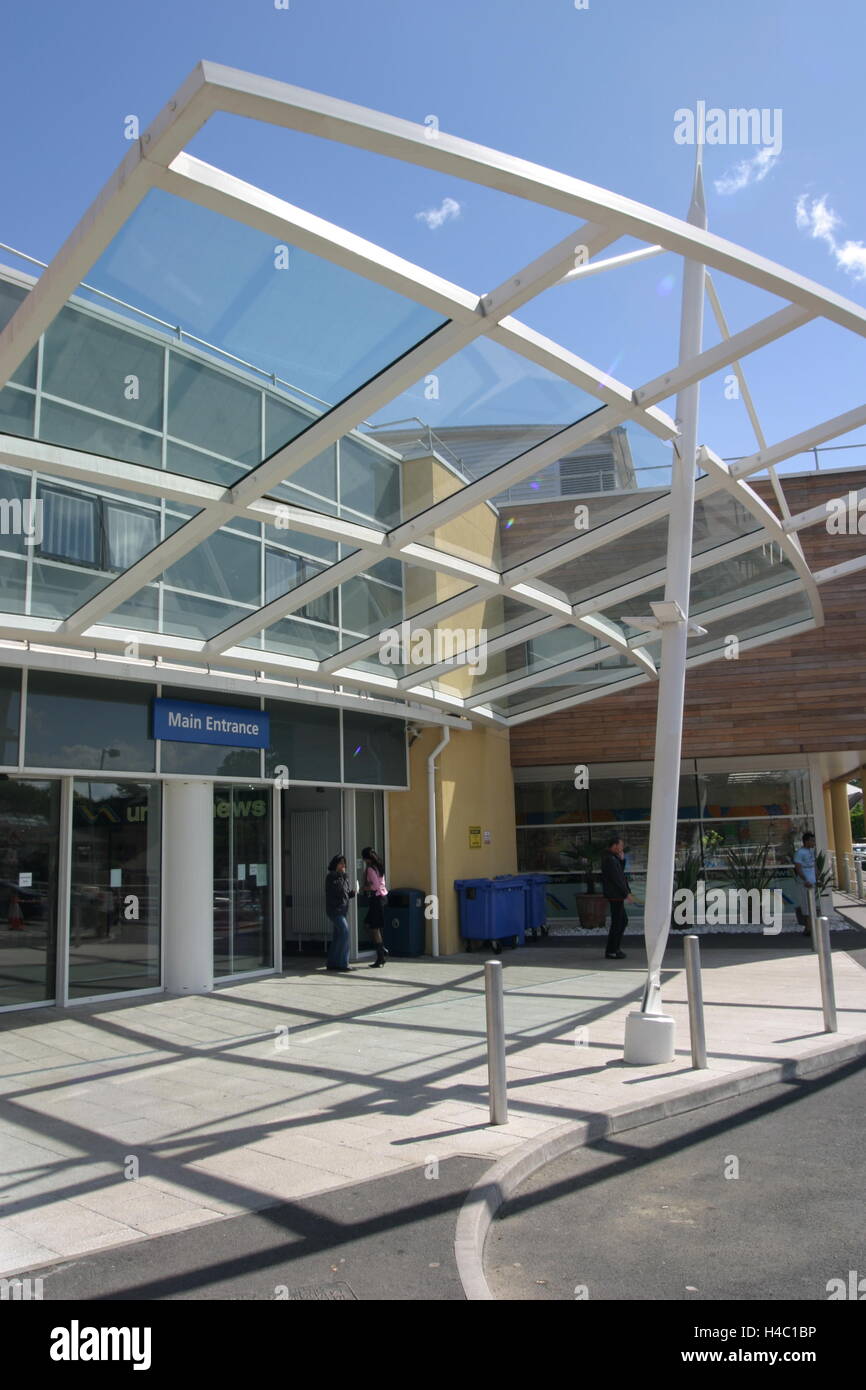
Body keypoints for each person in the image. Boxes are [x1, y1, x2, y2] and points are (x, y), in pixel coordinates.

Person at [600, 835, 634, 960]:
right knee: (618, 922)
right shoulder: (609, 859)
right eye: (620, 846)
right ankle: (612, 951)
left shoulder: (612, 858)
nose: (622, 848)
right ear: (614, 846)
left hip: (617, 895)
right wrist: (627, 893)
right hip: (615, 896)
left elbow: (619, 872)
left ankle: (615, 949)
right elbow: (617, 878)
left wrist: (622, 860)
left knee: (622, 921)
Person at [324, 854, 355, 972]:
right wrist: (342, 877)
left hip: (342, 910)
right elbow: (337, 891)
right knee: (345, 933)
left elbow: (345, 894)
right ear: (335, 865)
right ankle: (343, 963)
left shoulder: (344, 877)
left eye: (344, 863)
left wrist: (351, 893)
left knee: (338, 936)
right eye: (341, 863)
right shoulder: (331, 877)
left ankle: (332, 963)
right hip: (334, 910)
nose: (343, 865)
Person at [360, 846, 389, 968]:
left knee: (374, 928)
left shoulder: (371, 869)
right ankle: (382, 950)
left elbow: (375, 886)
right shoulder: (379, 866)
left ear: (367, 858)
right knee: (368, 924)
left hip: (376, 898)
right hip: (382, 898)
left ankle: (380, 956)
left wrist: (364, 888)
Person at [793, 832, 817, 937]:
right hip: (805, 883)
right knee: (806, 904)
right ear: (806, 841)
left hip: (812, 881)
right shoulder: (800, 852)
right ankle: (808, 927)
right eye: (812, 840)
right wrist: (805, 880)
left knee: (812, 904)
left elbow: (814, 865)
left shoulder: (811, 851)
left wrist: (818, 877)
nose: (814, 842)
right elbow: (798, 868)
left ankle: (812, 927)